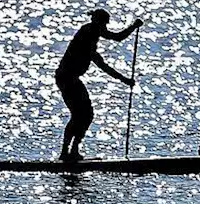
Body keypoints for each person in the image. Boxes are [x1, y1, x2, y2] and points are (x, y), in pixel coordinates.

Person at [56, 9, 142, 162]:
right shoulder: (88, 31)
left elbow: (104, 61)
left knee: (86, 114)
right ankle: (66, 153)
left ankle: (73, 151)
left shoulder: (90, 40)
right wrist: (134, 26)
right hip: (66, 78)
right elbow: (117, 38)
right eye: (103, 24)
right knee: (80, 114)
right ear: (98, 22)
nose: (104, 29)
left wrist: (124, 80)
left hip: (71, 79)